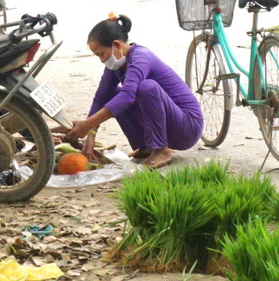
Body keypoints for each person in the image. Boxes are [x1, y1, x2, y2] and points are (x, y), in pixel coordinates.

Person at [62, 15, 204, 170]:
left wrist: (88, 123)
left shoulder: (141, 57)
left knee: (146, 87)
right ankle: (146, 146)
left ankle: (160, 150)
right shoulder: (115, 66)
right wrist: (90, 132)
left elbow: (128, 95)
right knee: (112, 95)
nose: (102, 60)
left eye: (101, 54)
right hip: (169, 124)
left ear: (116, 45)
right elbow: (100, 97)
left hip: (187, 126)